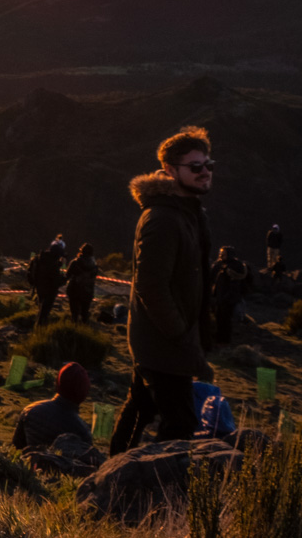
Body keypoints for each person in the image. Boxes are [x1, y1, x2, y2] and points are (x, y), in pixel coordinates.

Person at [109, 127, 214, 455]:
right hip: (164, 343)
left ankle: (110, 474)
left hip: (161, 340)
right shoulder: (164, 219)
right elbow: (150, 286)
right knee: (180, 423)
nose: (205, 172)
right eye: (195, 166)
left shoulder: (189, 214)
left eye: (209, 164)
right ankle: (153, 491)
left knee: (140, 408)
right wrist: (181, 334)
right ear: (170, 170)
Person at [12, 362, 94, 450]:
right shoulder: (81, 431)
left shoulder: (30, 410)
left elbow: (15, 448)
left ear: (58, 383)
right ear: (83, 393)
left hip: (28, 462)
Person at [209, 246, 249, 345]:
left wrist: (227, 297)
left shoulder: (235, 266)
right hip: (220, 297)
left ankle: (224, 341)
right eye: (221, 253)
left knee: (225, 320)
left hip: (228, 299)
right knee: (219, 319)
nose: (221, 255)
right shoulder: (220, 264)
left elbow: (235, 284)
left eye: (223, 254)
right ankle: (220, 340)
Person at [29, 246, 63, 327]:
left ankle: (39, 326)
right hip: (50, 289)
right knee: (45, 311)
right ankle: (40, 328)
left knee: (41, 307)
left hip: (39, 286)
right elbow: (55, 279)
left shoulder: (39, 258)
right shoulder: (52, 263)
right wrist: (63, 279)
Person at [65, 242, 99, 324]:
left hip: (74, 291)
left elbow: (67, 276)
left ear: (81, 251)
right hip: (88, 292)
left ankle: (74, 330)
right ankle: (84, 330)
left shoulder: (75, 263)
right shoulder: (94, 265)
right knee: (85, 313)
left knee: (74, 314)